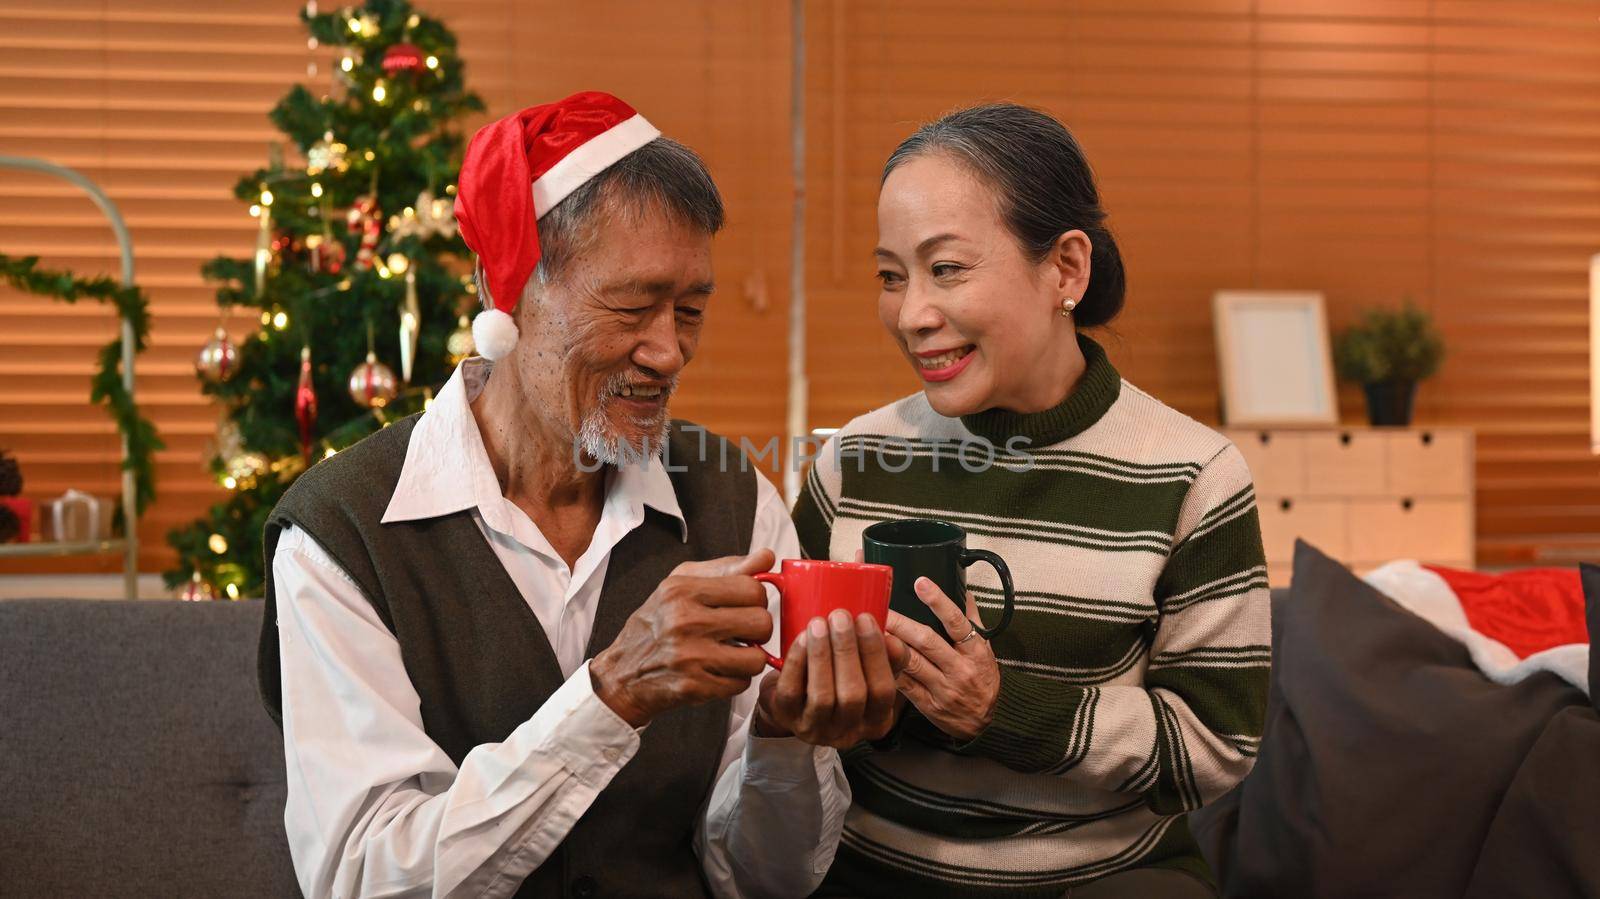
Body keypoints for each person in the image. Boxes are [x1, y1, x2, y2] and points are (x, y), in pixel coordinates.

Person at [260, 91, 900, 899]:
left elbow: (766, 882)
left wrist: (782, 740)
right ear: (515, 292)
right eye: (632, 306)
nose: (668, 351)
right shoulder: (339, 533)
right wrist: (611, 695)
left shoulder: (736, 501)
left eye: (691, 310)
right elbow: (363, 878)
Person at [792, 102, 1271, 898]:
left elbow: (1216, 744)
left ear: (1067, 271)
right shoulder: (852, 462)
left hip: (1104, 875)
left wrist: (1002, 708)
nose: (912, 314)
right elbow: (784, 702)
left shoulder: (1193, 475)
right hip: (867, 868)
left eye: (946, 268)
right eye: (891, 275)